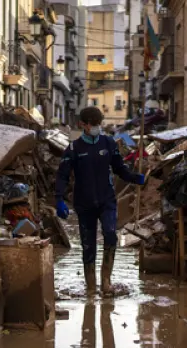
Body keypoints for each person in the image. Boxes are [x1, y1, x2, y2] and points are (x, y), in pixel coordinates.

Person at [55, 106, 145, 297]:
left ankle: (106, 281)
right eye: (93, 125)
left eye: (98, 124)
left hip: (107, 200)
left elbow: (120, 168)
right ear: (83, 125)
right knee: (88, 244)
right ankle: (90, 286)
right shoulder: (74, 148)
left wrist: (134, 177)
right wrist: (59, 199)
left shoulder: (108, 143)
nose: (97, 128)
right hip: (84, 203)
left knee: (110, 234)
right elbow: (62, 175)